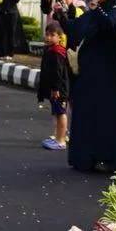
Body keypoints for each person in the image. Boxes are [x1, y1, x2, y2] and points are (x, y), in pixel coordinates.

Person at [61, 0, 116, 172]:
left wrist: (99, 7)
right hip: (88, 77)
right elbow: (73, 30)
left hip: (108, 80)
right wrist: (61, 15)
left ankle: (109, 159)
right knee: (85, 117)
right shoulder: (93, 15)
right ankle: (85, 158)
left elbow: (108, 24)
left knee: (106, 120)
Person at [38, 21, 72, 151]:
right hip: (54, 88)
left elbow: (58, 73)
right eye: (47, 34)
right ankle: (57, 135)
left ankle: (61, 140)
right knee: (56, 113)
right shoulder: (50, 50)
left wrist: (56, 88)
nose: (48, 37)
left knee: (61, 113)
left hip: (59, 89)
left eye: (52, 35)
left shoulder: (57, 52)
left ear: (59, 37)